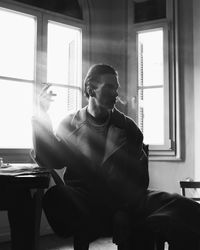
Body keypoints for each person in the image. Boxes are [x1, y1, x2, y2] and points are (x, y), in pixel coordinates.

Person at [32, 64, 200, 250]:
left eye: (116, 88)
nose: (115, 94)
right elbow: (51, 160)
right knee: (57, 196)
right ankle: (122, 222)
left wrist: (123, 210)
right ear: (91, 88)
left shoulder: (129, 128)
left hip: (125, 198)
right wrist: (42, 115)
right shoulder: (70, 124)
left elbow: (139, 179)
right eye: (109, 87)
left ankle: (140, 223)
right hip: (86, 199)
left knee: (184, 207)